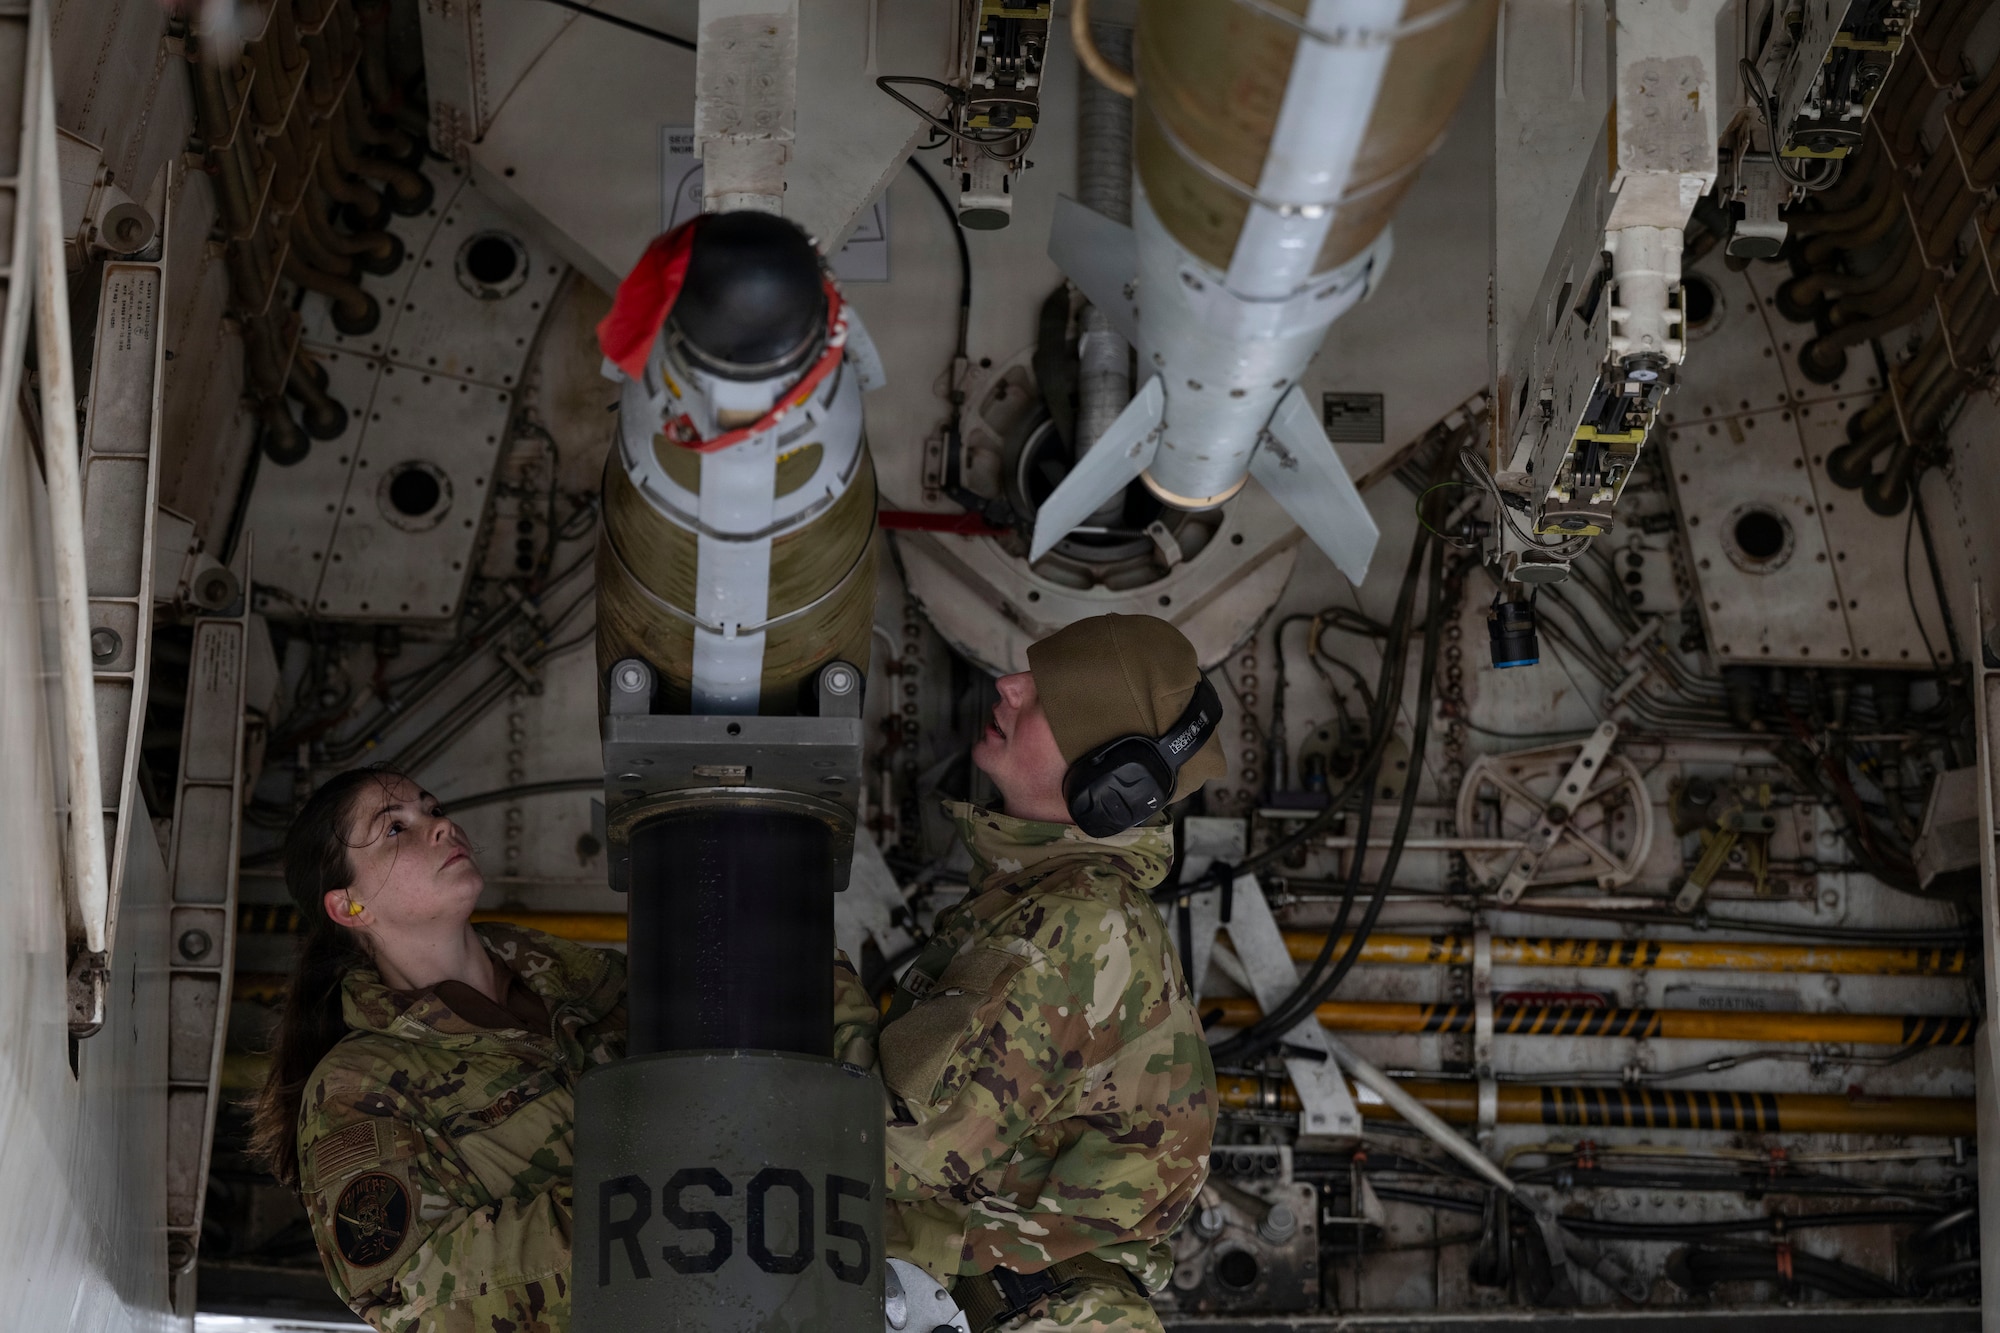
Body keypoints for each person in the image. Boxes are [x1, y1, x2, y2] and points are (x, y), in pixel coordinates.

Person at [858, 613, 1224, 1333]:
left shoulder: (1076, 928)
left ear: (1109, 779)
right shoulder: (1043, 903)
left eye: (1049, 694)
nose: (1010, 685)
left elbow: (899, 1150)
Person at [247, 768, 627, 1333]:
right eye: (395, 829)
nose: (441, 826)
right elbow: (412, 1290)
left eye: (433, 808)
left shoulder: (587, 981)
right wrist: (649, 1215)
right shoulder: (359, 1087)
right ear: (350, 907)